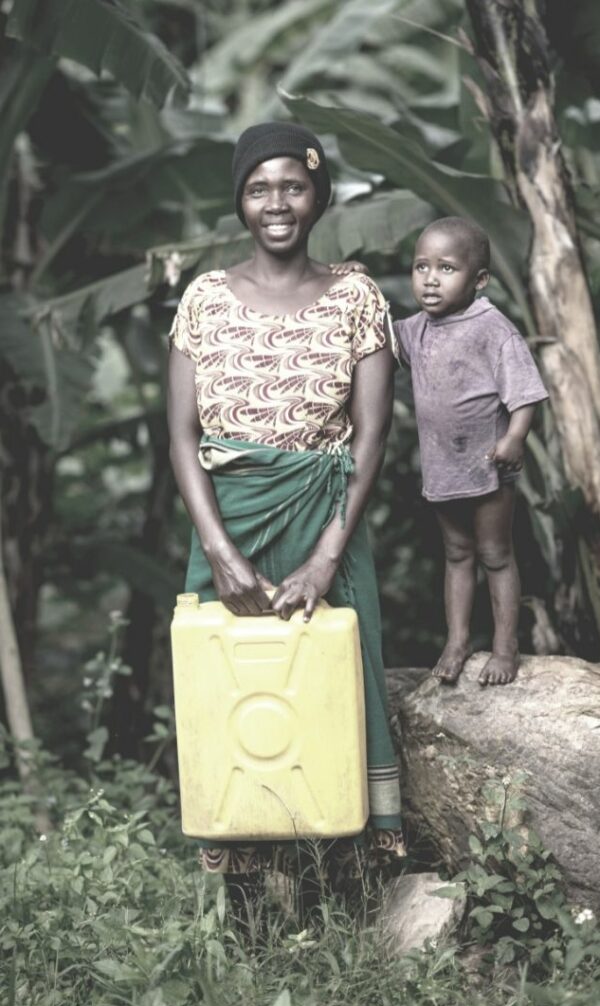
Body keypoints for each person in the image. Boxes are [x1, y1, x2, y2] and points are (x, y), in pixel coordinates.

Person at [167, 122, 404, 932]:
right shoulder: (203, 297)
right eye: (260, 187)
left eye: (293, 187)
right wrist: (219, 553)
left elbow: (373, 435)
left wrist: (327, 553)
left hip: (326, 517)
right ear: (240, 199)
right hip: (228, 523)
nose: (278, 203)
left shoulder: (357, 294)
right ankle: (245, 917)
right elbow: (181, 437)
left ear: (317, 195)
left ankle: (336, 902)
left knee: (330, 688)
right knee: (235, 693)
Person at [392, 216, 548, 687]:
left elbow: (525, 394)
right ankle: (457, 640)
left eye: (446, 268)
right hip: (442, 468)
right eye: (421, 267)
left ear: (479, 280)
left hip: (487, 466)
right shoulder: (416, 329)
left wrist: (514, 438)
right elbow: (374, 332)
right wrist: (352, 282)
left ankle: (505, 647)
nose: (430, 279)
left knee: (495, 554)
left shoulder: (492, 327)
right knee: (457, 554)